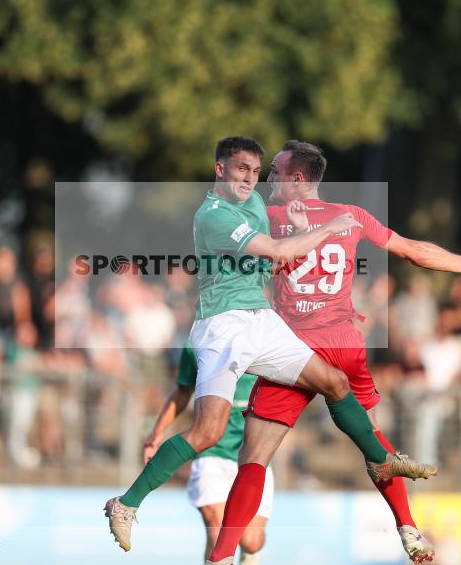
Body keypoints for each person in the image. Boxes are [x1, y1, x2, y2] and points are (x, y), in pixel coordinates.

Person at [105, 136, 436, 554]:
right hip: (224, 326)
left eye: (255, 170)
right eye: (240, 167)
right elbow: (277, 249)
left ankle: (380, 457)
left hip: (261, 321)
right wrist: (325, 230)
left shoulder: (257, 207)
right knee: (208, 431)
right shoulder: (213, 215)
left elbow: (275, 260)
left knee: (333, 381)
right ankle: (126, 503)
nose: (249, 177)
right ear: (219, 169)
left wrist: (299, 232)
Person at [206, 139, 461, 564]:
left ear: (296, 178)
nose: (267, 178)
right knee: (371, 443)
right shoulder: (351, 218)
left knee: (253, 456)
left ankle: (219, 557)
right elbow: (414, 252)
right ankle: (410, 531)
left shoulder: (266, 216)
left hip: (293, 350)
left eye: (274, 171)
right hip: (346, 346)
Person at [143, 342, 272, 564]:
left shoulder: (264, 340)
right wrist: (157, 432)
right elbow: (182, 391)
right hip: (210, 455)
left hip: (254, 456)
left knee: (251, 541)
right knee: (219, 537)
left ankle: (250, 554)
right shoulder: (196, 343)